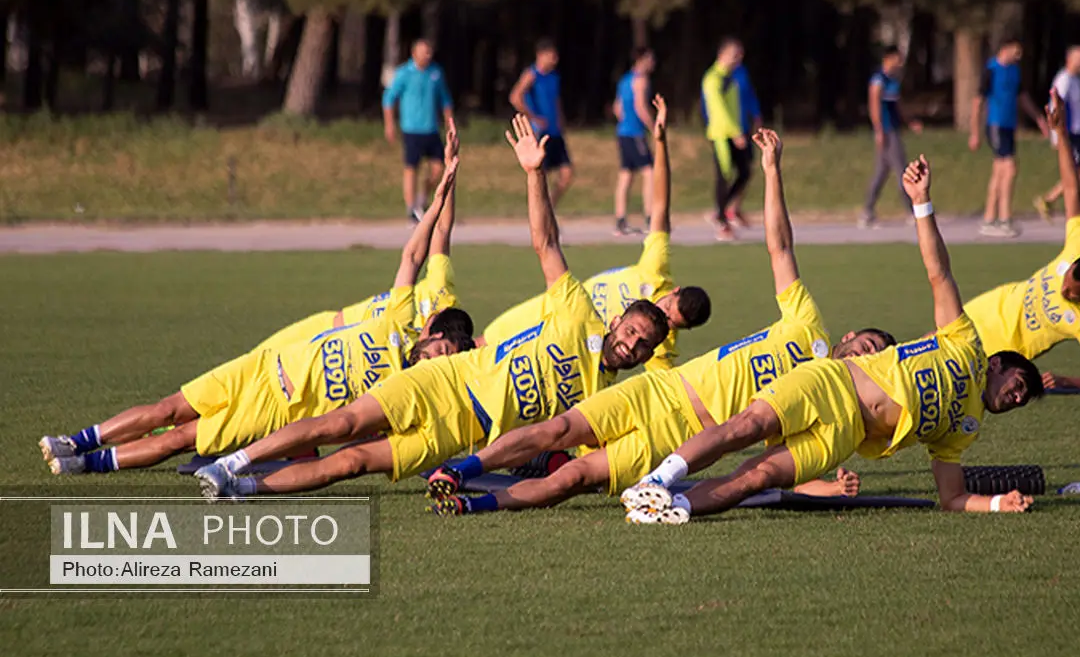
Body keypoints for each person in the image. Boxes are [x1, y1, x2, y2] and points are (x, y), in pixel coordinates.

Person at [192, 114, 671, 500]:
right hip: (445, 380)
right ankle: (232, 463)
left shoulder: (601, 396)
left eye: (642, 345)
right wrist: (534, 174)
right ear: (615, 321)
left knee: (353, 463)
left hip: (461, 431)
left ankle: (243, 489)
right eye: (630, 331)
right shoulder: (578, 311)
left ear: (648, 356)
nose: (631, 344)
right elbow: (546, 242)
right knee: (346, 424)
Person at [424, 128, 895, 517]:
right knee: (560, 430)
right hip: (657, 393)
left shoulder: (827, 402)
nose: (864, 357)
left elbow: (765, 470)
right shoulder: (808, 326)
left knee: (573, 478)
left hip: (677, 438)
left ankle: (472, 505)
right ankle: (461, 470)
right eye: (867, 344)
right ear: (850, 336)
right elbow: (780, 248)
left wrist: (828, 490)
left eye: (875, 359)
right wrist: (771, 171)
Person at [622, 153, 1046, 524]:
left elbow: (952, 498)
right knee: (746, 426)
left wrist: (995, 504)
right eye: (1019, 386)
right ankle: (658, 480)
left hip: (846, 434)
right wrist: (921, 205)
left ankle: (668, 509)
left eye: (1022, 401)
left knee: (759, 476)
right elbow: (939, 273)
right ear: (997, 364)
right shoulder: (965, 344)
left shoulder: (965, 428)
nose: (1016, 398)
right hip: (832, 383)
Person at [39, 160, 474, 476]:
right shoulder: (399, 319)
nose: (437, 360)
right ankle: (79, 440)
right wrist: (436, 201)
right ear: (432, 332)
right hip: (264, 367)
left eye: (446, 358)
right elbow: (415, 253)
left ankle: (87, 464)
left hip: (275, 408)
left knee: (179, 437)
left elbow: (358, 432)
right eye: (441, 350)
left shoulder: (402, 388)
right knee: (168, 408)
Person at [477, 94, 709, 373]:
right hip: (549, 308)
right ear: (674, 291)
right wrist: (659, 142)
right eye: (670, 306)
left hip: (565, 357)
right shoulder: (654, 271)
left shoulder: (658, 347)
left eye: (673, 322)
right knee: (479, 348)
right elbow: (660, 206)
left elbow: (669, 392)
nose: (665, 315)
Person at [254, 120, 464, 352]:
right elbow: (443, 229)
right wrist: (449, 169)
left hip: (348, 359)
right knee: (257, 359)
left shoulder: (423, 356)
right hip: (333, 325)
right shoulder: (443, 296)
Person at [964, 86, 1080, 390]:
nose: (1063, 291)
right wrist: (1061, 133)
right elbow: (1072, 188)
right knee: (925, 346)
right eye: (1066, 281)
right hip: (989, 307)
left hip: (1000, 352)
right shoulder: (1078, 246)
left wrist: (1066, 380)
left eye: (1072, 293)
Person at [968, 36, 1049, 238]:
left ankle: (989, 218)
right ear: (1006, 48)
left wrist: (1039, 118)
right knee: (1009, 168)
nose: (1019, 55)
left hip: (1009, 125)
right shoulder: (991, 69)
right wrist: (975, 132)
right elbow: (978, 102)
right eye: (1016, 51)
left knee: (999, 172)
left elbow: (1022, 97)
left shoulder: (1014, 71)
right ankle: (1005, 218)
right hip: (995, 124)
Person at [382, 38, 454, 223]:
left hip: (431, 128)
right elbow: (389, 99)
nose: (427, 56)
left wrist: (449, 123)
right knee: (411, 168)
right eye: (424, 52)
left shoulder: (436, 73)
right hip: (411, 128)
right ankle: (410, 209)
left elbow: (445, 100)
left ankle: (422, 199)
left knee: (439, 168)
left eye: (429, 52)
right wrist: (390, 125)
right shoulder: (404, 73)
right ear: (414, 54)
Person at [860, 46, 923, 229]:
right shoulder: (878, 80)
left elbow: (898, 105)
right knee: (901, 170)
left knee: (881, 172)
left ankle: (867, 211)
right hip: (887, 132)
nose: (900, 63)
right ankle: (911, 211)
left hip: (894, 129)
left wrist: (910, 122)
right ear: (888, 58)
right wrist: (879, 130)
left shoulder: (893, 80)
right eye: (897, 59)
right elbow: (874, 106)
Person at [701, 54, 762, 229]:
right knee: (724, 174)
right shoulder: (714, 78)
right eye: (734, 55)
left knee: (744, 171)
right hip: (722, 134)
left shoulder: (737, 75)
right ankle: (722, 217)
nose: (737, 59)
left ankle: (725, 210)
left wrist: (755, 117)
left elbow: (748, 96)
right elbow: (716, 108)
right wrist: (734, 132)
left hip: (739, 130)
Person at [510, 38, 572, 207]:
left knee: (567, 174)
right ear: (541, 55)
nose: (555, 60)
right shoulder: (532, 74)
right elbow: (515, 97)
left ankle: (549, 206)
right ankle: (540, 211)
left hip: (555, 131)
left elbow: (556, 100)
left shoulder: (554, 77)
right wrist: (533, 117)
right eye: (551, 56)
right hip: (540, 132)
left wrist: (561, 121)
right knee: (540, 175)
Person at [1034, 46, 1080, 221]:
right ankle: (1068, 210)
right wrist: (1056, 135)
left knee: (1079, 173)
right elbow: (1055, 107)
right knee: (1076, 173)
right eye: (1079, 58)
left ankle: (1051, 202)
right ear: (1069, 59)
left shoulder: (1076, 80)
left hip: (1077, 132)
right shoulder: (1064, 79)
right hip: (1069, 133)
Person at [612, 47, 656, 235]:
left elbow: (617, 108)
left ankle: (620, 220)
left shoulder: (625, 79)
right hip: (635, 133)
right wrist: (654, 127)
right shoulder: (641, 80)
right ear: (642, 60)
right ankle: (650, 218)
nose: (653, 62)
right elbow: (640, 106)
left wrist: (625, 122)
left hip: (622, 132)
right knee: (650, 172)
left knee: (626, 175)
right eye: (650, 59)